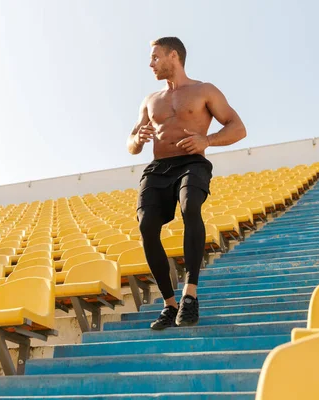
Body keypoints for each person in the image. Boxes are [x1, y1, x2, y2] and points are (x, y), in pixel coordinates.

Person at [127, 37, 247, 330]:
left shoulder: (204, 90)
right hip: (158, 168)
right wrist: (137, 140)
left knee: (191, 207)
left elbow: (238, 128)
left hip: (191, 163)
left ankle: (190, 295)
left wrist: (207, 140)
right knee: (146, 226)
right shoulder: (150, 100)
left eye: (155, 57)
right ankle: (170, 305)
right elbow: (131, 143)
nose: (150, 64)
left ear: (173, 56)